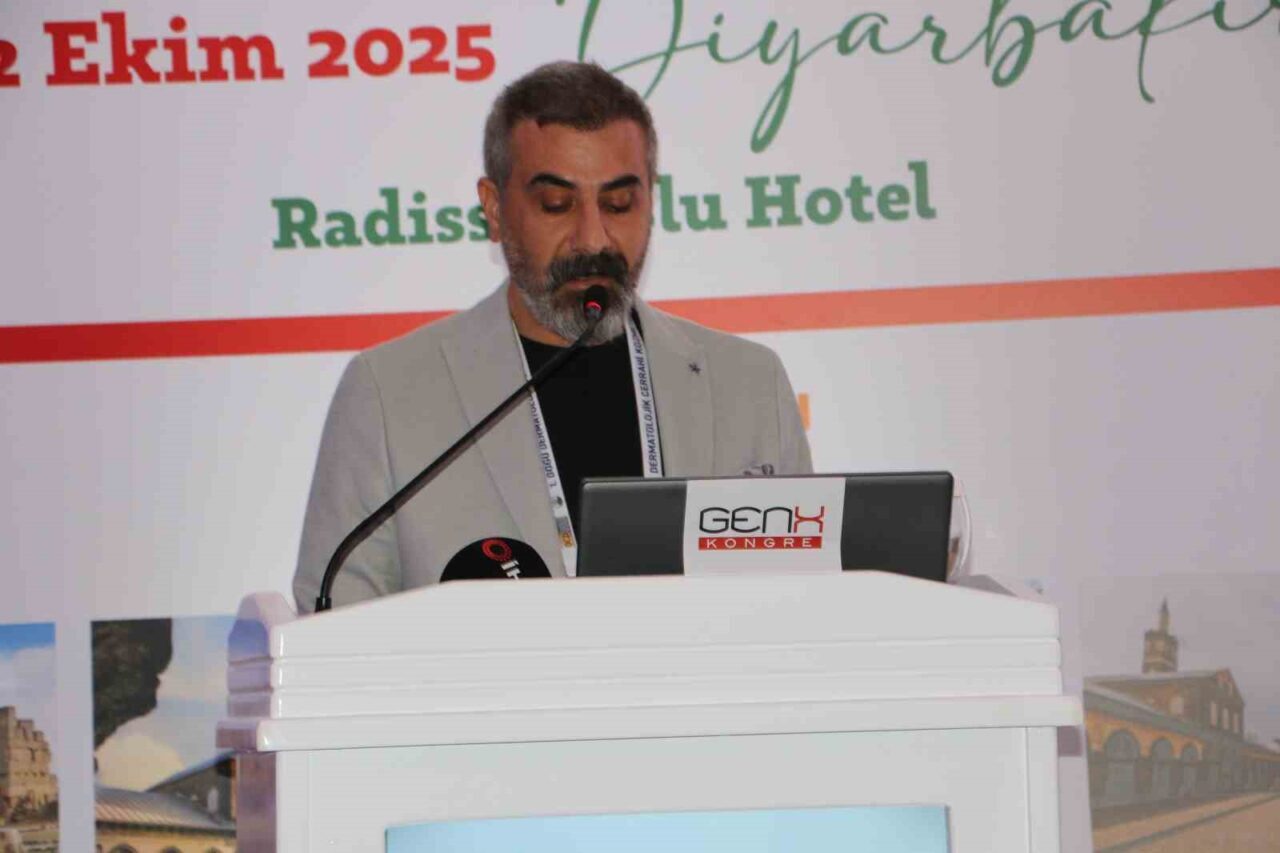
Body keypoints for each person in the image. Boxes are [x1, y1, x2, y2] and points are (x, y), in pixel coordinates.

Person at [293, 62, 812, 612]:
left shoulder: (750, 384)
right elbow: (336, 619)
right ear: (495, 209)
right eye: (556, 205)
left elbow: (806, 604)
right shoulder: (388, 393)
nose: (592, 238)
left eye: (618, 204)